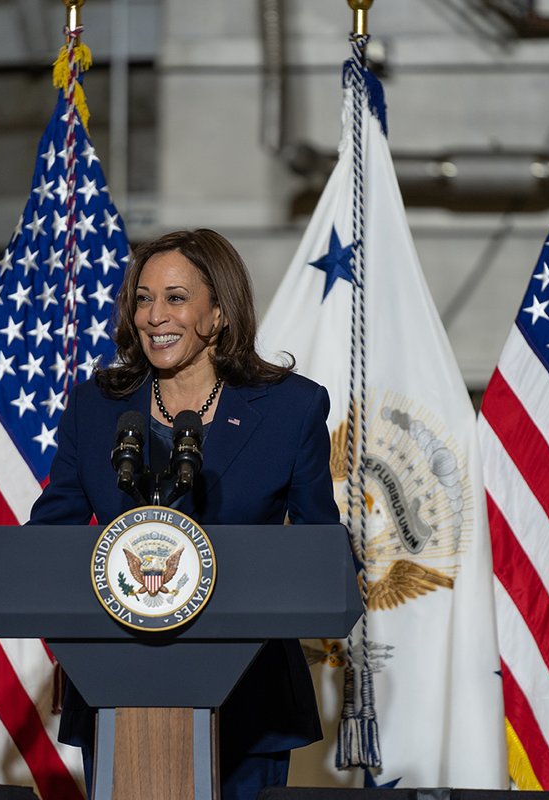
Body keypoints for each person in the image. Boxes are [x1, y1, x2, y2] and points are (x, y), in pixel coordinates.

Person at [29, 228, 337, 800]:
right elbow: (51, 533)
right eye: (143, 298)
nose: (153, 316)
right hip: (115, 687)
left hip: (249, 696)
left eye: (175, 297)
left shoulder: (291, 410)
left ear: (218, 311)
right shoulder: (97, 409)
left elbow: (321, 552)